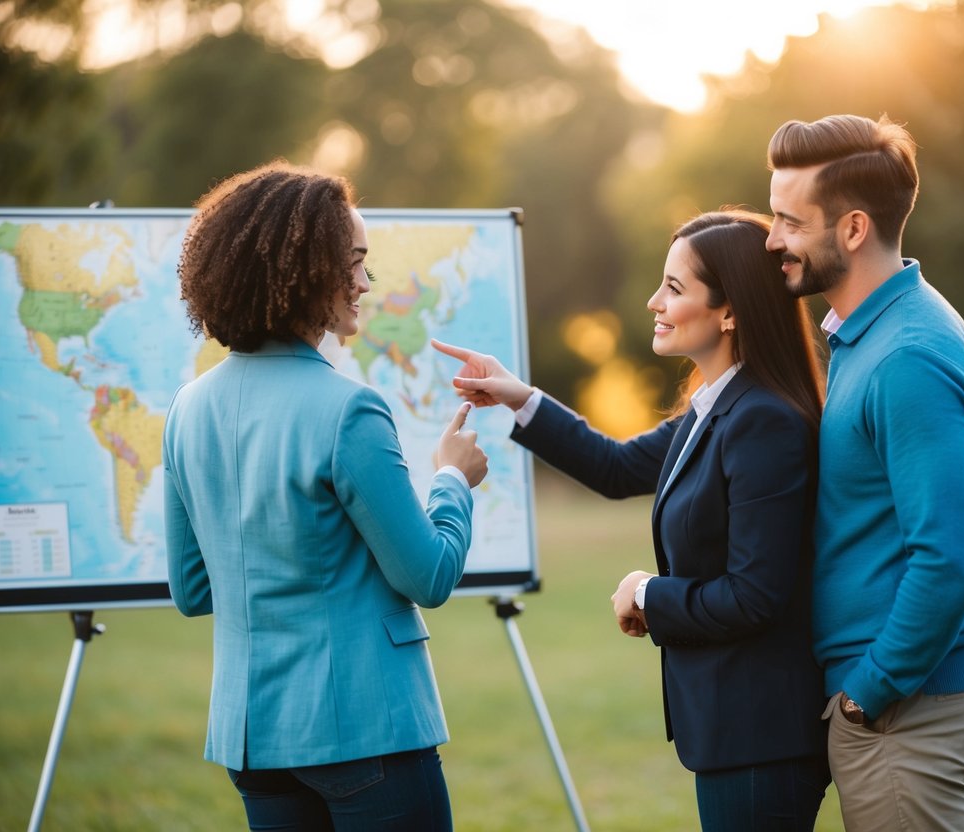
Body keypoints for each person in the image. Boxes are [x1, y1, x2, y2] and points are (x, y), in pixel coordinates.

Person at [433, 209, 830, 831]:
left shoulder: (763, 421)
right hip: (736, 734)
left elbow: (756, 597)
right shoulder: (713, 409)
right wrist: (517, 395)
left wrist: (646, 591)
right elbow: (615, 468)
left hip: (762, 737)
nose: (653, 302)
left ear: (730, 312)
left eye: (674, 288)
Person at [163, 160, 488, 832]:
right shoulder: (349, 411)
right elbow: (427, 575)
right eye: (355, 262)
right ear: (308, 270)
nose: (366, 283)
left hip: (254, 738)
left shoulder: (186, 409)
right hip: (367, 728)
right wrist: (453, 479)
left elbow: (194, 592)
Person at [764, 114, 964, 831]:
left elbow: (946, 563)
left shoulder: (905, 355)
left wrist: (865, 693)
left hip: (907, 705)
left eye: (788, 220)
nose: (772, 239)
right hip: (904, 699)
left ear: (850, 229)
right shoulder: (873, 332)